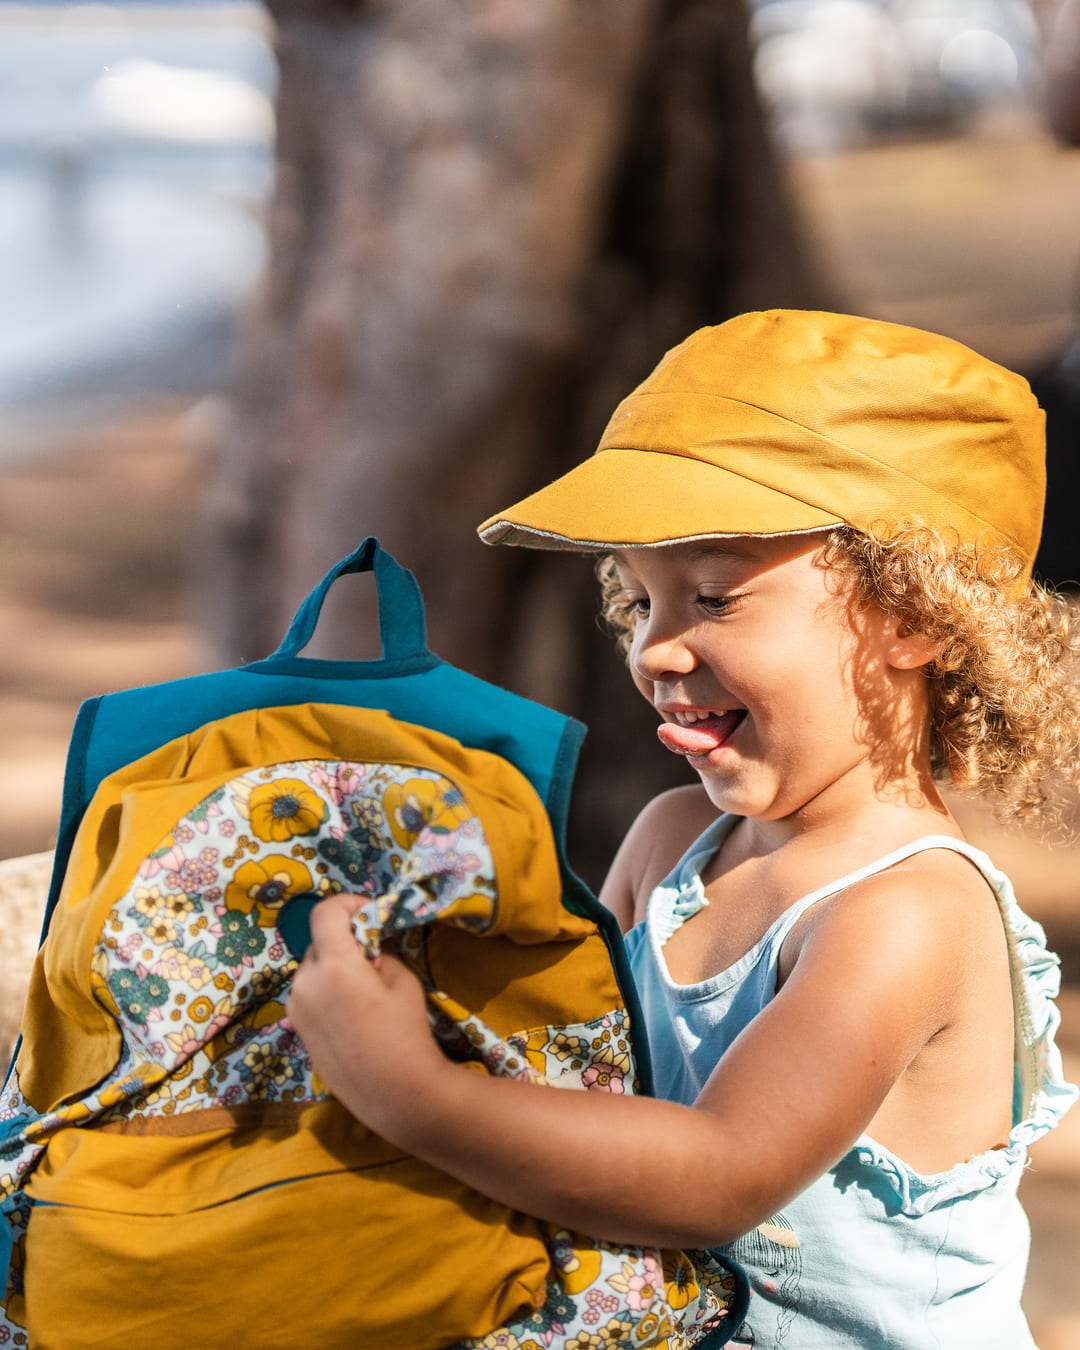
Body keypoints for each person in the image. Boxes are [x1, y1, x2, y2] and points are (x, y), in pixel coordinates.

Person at [288, 310, 1079, 1349]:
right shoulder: (671, 842)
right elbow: (567, 1067)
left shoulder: (907, 912)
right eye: (640, 598)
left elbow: (718, 1176)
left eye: (713, 595)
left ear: (914, 616)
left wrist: (411, 1093)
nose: (657, 651)